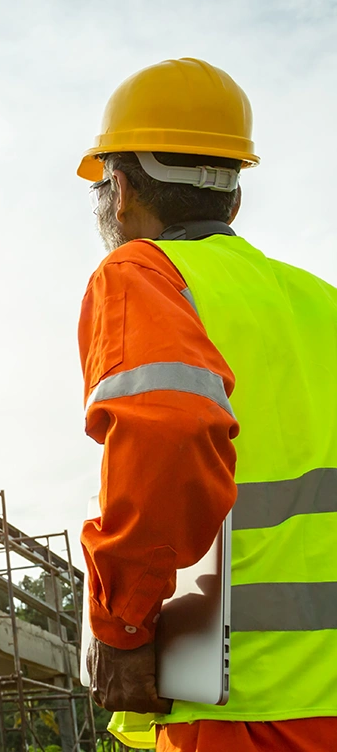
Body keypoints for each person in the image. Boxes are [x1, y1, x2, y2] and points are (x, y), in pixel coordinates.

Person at [77, 58, 337, 751]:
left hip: (241, 709)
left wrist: (125, 623)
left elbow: (170, 433)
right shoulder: (321, 302)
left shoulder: (142, 274)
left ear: (122, 190)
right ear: (235, 200)